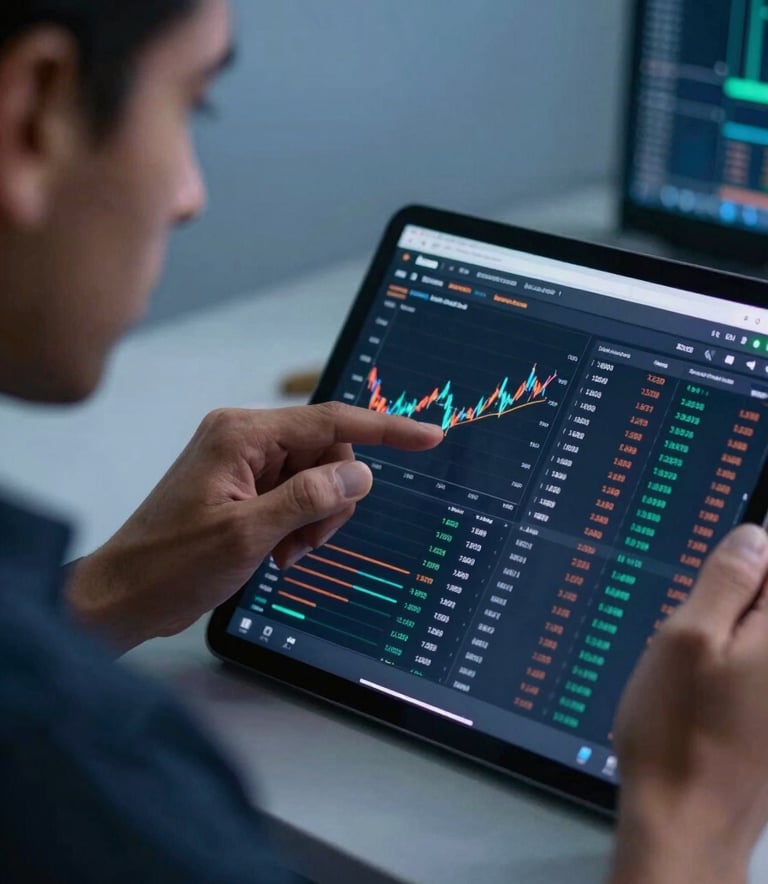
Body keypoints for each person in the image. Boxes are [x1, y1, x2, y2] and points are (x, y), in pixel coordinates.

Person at [0, 2, 766, 882]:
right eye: (190, 102)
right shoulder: (77, 774)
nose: (190, 196)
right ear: (34, 111)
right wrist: (691, 831)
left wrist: (107, 593)